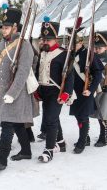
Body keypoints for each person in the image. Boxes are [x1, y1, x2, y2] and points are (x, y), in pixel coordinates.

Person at [0, 4, 35, 170]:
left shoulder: (25, 45)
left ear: (15, 27)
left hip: (18, 93)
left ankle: (2, 159)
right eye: (2, 27)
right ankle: (26, 150)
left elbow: (23, 72)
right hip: (4, 93)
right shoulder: (1, 45)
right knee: (16, 123)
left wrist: (12, 93)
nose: (3, 30)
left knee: (7, 125)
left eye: (7, 27)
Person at [35, 16, 74, 162]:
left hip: (56, 91)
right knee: (53, 117)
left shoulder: (64, 54)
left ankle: (49, 150)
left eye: (48, 40)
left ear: (56, 39)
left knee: (50, 120)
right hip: (44, 90)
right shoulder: (42, 52)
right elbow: (39, 71)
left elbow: (70, 76)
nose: (45, 42)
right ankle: (61, 143)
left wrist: (66, 93)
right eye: (43, 39)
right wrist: (37, 90)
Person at [69, 31, 104, 153]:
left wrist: (90, 89)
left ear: (80, 42)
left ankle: (82, 141)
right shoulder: (70, 55)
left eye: (75, 44)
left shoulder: (89, 54)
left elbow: (98, 74)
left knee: (83, 116)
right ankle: (86, 138)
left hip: (86, 90)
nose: (73, 46)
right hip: (74, 91)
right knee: (78, 116)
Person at [93, 31, 107, 147]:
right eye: (95, 47)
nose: (97, 50)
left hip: (105, 89)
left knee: (103, 114)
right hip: (98, 89)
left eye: (100, 48)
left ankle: (103, 137)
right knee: (100, 114)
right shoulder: (93, 58)